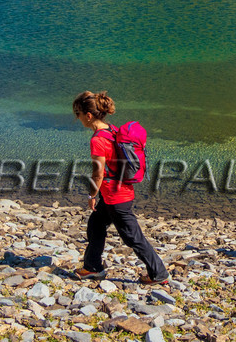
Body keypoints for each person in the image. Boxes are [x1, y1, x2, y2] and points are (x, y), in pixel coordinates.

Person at [71, 90, 169, 284]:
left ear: (88, 116)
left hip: (117, 198)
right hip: (113, 195)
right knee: (96, 224)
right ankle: (92, 268)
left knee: (133, 238)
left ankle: (159, 274)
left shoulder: (98, 140)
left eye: (79, 115)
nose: (78, 119)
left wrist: (92, 196)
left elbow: (98, 174)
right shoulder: (112, 130)